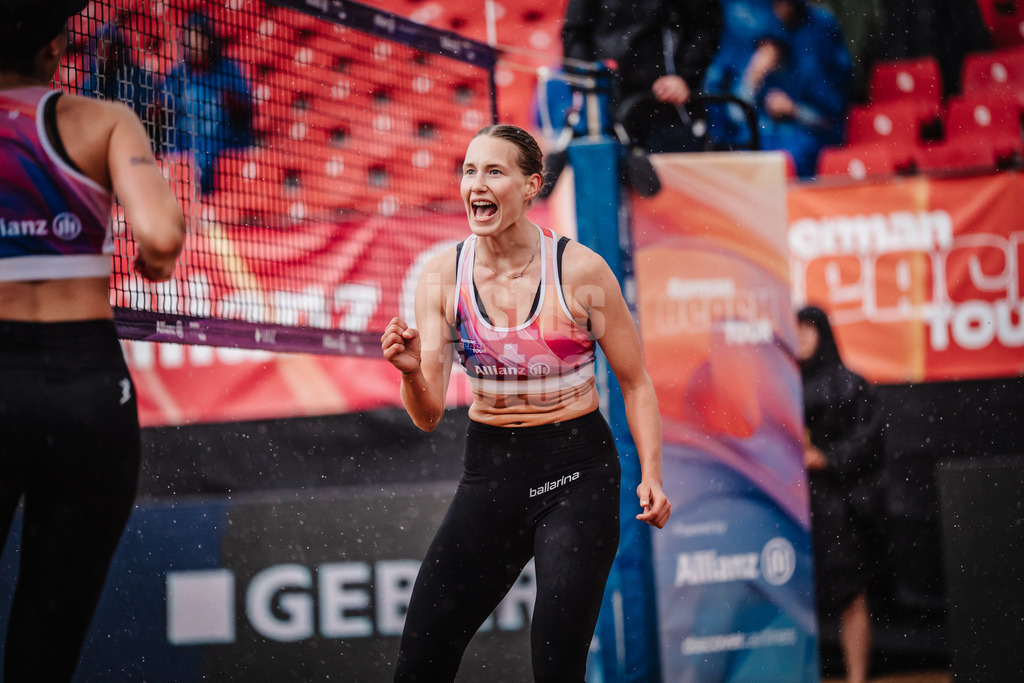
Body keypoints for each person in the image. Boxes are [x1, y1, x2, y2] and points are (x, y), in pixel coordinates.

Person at [380, 124, 671, 681]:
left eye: (494, 171)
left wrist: (652, 475)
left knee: (557, 663)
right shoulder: (443, 276)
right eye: (469, 171)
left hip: (577, 472)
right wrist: (414, 373)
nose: (476, 184)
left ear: (531, 184)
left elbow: (636, 383)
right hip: (491, 472)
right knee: (421, 659)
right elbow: (428, 413)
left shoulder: (581, 271)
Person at [0, 1, 186, 680]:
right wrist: (156, 263)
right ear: (55, 47)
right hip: (84, 384)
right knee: (46, 643)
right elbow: (161, 236)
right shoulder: (102, 119)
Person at [796, 306, 886, 683]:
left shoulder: (850, 385)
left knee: (852, 596)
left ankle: (857, 677)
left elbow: (870, 440)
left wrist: (826, 459)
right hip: (795, 508)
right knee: (796, 597)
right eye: (795, 332)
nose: (801, 340)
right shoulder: (781, 386)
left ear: (822, 333)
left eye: (807, 332)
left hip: (842, 507)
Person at [704, 0, 852, 176]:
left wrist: (795, 110)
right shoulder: (754, 25)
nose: (782, 10)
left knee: (786, 161)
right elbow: (733, 117)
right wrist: (752, 77)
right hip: (757, 137)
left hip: (804, 139)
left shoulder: (820, 28)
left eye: (788, 4)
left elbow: (832, 115)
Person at [561, 0, 722, 153]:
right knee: (603, 172)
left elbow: (706, 26)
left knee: (672, 175)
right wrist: (590, 81)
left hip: (667, 104)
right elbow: (575, 33)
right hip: (605, 104)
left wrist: (683, 76)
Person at [157, 11, 253, 194]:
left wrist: (232, 102)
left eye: (199, 38)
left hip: (221, 154)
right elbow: (162, 109)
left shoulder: (228, 70)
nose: (196, 44)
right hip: (184, 155)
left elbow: (246, 108)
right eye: (191, 39)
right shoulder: (177, 75)